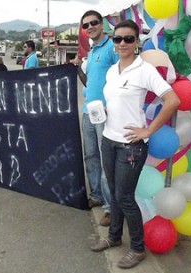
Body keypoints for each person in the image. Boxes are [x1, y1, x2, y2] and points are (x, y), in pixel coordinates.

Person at [90, 20, 180, 269]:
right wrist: (104, 111)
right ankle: (114, 237)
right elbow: (116, 101)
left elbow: (172, 100)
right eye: (118, 39)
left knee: (125, 197)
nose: (122, 44)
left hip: (130, 146)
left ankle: (138, 249)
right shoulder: (112, 70)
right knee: (116, 195)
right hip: (109, 139)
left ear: (136, 42)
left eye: (128, 39)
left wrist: (149, 129)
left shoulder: (145, 70)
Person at [72, 10, 119, 226]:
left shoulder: (112, 46)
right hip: (87, 112)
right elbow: (90, 82)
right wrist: (77, 69)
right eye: (86, 25)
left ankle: (110, 207)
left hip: (105, 113)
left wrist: (112, 105)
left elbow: (122, 75)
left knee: (104, 158)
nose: (90, 27)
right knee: (90, 155)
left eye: (93, 23)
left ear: (102, 24)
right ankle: (97, 196)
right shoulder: (91, 52)